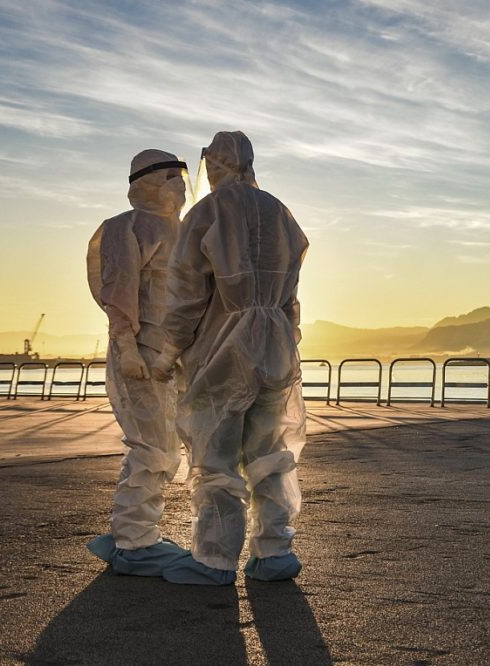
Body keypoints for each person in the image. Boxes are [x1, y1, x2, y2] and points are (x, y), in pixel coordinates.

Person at [153, 131, 309, 585]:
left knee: (216, 450)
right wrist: (288, 335)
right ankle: (275, 551)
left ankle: (215, 559)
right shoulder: (280, 212)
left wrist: (168, 350)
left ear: (216, 164)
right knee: (271, 447)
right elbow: (292, 292)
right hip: (276, 344)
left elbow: (185, 293)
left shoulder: (208, 211)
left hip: (222, 348)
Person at [85, 149, 190, 575]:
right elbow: (118, 289)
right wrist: (127, 346)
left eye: (182, 176)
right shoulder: (122, 228)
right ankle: (133, 542)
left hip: (174, 355)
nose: (179, 186)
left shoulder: (184, 230)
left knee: (168, 446)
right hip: (142, 353)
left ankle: (135, 532)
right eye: (170, 177)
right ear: (145, 182)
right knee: (153, 448)